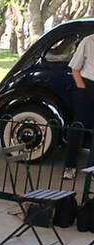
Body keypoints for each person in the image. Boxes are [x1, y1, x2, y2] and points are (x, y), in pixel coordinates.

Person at [62, 33, 94, 180]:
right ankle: (70, 167)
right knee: (78, 127)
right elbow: (75, 68)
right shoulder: (88, 41)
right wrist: (82, 89)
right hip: (87, 85)